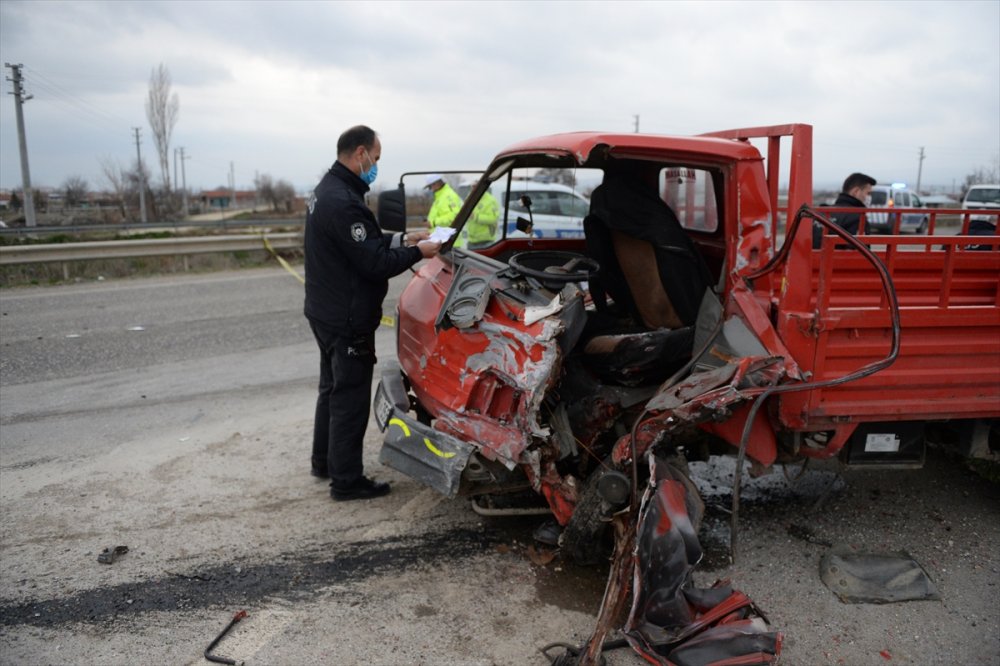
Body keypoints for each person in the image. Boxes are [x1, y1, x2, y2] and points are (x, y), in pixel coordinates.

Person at [303, 125, 441, 501]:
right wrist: (419, 253)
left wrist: (404, 239)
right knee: (348, 397)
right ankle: (346, 481)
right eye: (375, 159)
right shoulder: (344, 201)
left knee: (331, 388)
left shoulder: (328, 191)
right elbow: (374, 264)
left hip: (324, 310)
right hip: (346, 318)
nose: (375, 166)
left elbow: (359, 241)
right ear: (360, 153)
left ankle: (325, 462)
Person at [813, 172, 877, 248]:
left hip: (811, 259)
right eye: (868, 193)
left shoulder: (821, 213)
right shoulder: (858, 219)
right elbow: (858, 256)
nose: (869, 197)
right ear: (856, 191)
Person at [464, 182, 500, 248]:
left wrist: (475, 217)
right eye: (472, 186)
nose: (473, 188)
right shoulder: (470, 198)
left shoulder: (490, 200)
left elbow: (493, 218)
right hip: (471, 241)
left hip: (486, 242)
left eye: (476, 186)